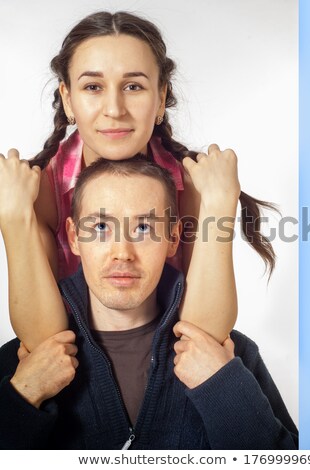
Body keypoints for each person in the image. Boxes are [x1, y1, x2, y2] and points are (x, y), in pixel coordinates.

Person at [0, 11, 275, 353]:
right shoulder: (37, 190)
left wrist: (219, 205)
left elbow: (204, 338)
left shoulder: (194, 186)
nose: (114, 109)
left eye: (133, 86)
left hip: (166, 366)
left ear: (160, 98)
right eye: (93, 87)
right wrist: (14, 217)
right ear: (68, 99)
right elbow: (44, 344)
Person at [0, 156, 297, 450]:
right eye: (101, 227)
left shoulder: (229, 357)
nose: (122, 253)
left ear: (173, 238)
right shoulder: (24, 364)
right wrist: (23, 396)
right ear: (74, 237)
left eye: (143, 228)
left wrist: (223, 388)